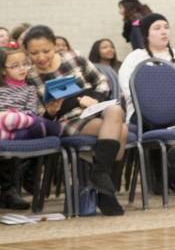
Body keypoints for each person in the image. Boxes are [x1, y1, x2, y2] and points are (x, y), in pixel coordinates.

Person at [22, 25, 128, 216]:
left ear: (55, 46)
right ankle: (106, 192)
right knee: (123, 130)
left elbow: (101, 82)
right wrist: (50, 111)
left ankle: (100, 175)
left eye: (46, 51)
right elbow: (37, 116)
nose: (41, 57)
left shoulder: (73, 57)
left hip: (93, 108)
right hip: (65, 119)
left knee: (115, 109)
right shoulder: (30, 76)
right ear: (27, 53)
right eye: (34, 53)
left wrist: (94, 99)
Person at [0, 45, 63, 209]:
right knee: (37, 126)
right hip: (4, 128)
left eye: (25, 63)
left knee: (50, 130)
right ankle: (9, 190)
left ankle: (28, 170)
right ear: (3, 70)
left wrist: (37, 116)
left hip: (24, 126)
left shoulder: (29, 89)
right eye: (15, 65)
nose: (22, 69)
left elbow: (31, 112)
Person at [119, 14, 175, 123]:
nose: (164, 32)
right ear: (146, 34)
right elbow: (128, 89)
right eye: (157, 28)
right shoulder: (135, 57)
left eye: (166, 27)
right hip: (146, 111)